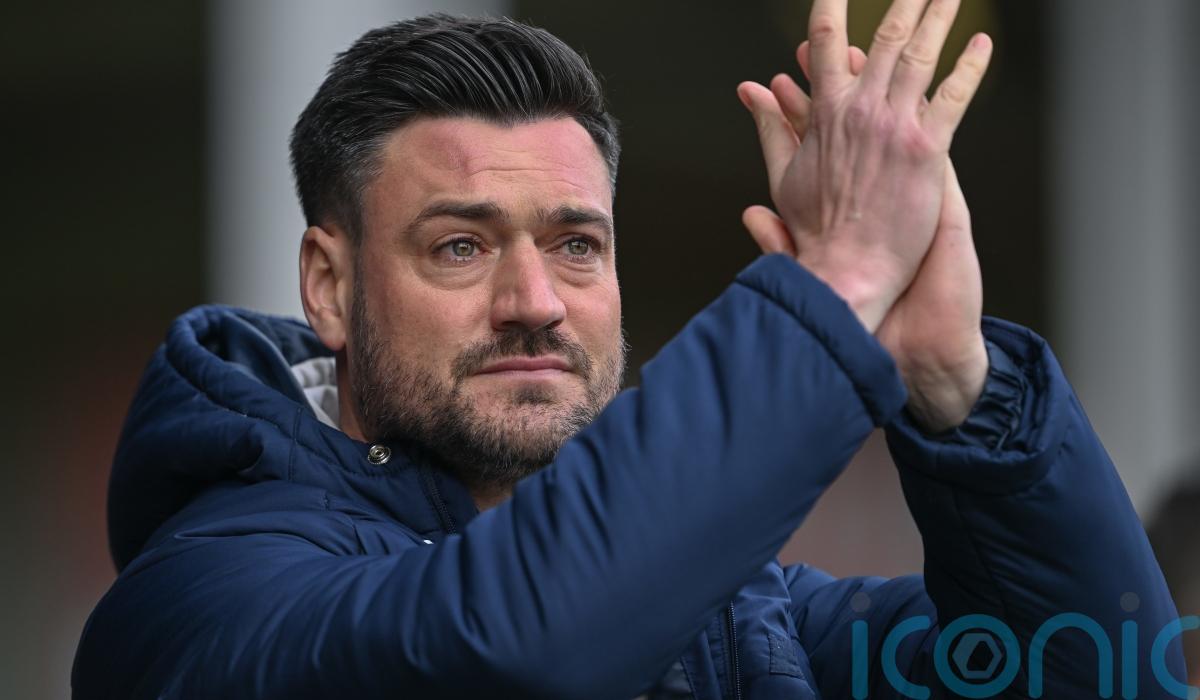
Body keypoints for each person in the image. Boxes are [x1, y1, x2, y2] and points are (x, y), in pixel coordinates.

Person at [73, 3, 1186, 698]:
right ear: (330, 284)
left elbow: (1106, 676)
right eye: (461, 246)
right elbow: (511, 648)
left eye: (577, 246)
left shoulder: (748, 620)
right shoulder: (203, 604)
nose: (534, 303)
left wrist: (954, 385)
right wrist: (836, 290)